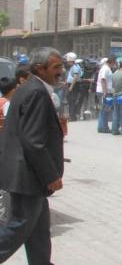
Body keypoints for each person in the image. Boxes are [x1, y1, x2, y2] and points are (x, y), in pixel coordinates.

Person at [0, 47, 64, 264]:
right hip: (28, 176)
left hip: (27, 175)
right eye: (56, 67)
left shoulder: (31, 88)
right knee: (18, 228)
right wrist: (51, 175)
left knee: (38, 232)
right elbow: (33, 141)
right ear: (40, 68)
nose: (61, 72)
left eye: (61, 66)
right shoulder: (36, 92)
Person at [96, 57, 116, 133]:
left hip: (105, 91)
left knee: (103, 110)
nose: (115, 65)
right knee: (105, 110)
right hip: (104, 92)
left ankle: (101, 127)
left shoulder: (107, 68)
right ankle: (104, 128)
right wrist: (105, 91)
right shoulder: (105, 69)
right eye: (114, 63)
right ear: (112, 62)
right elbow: (103, 79)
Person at [65, 52, 82, 121]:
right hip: (72, 85)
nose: (67, 62)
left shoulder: (75, 67)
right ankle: (72, 116)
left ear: (71, 61)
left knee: (72, 100)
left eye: (68, 61)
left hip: (74, 85)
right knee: (70, 100)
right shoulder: (73, 67)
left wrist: (71, 87)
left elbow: (75, 78)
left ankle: (72, 116)